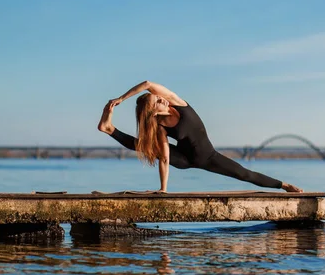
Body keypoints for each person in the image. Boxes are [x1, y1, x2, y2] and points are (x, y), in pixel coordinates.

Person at [97, 80, 303, 193]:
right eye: (157, 101)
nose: (162, 99)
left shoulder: (178, 103)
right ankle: (109, 128)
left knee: (244, 174)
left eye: (159, 97)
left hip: (208, 157)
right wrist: (163, 189)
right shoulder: (159, 126)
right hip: (185, 160)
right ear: (154, 112)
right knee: (146, 145)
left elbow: (147, 83)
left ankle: (283, 185)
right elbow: (166, 157)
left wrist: (122, 98)